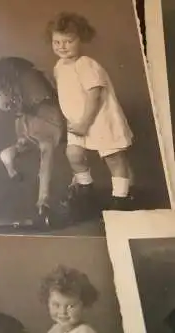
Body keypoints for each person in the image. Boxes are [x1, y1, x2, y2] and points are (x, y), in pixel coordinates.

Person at [46, 12, 135, 213]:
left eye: (68, 41)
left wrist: (85, 123)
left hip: (99, 118)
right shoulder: (59, 66)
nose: (62, 46)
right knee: (73, 153)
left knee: (113, 157)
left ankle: (121, 198)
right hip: (77, 120)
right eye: (56, 42)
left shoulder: (85, 64)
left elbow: (94, 95)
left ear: (81, 39)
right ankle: (86, 188)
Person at [39, 265, 99, 333]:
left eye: (70, 306)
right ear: (48, 302)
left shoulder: (85, 331)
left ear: (84, 305)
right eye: (56, 305)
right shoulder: (55, 329)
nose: (63, 312)